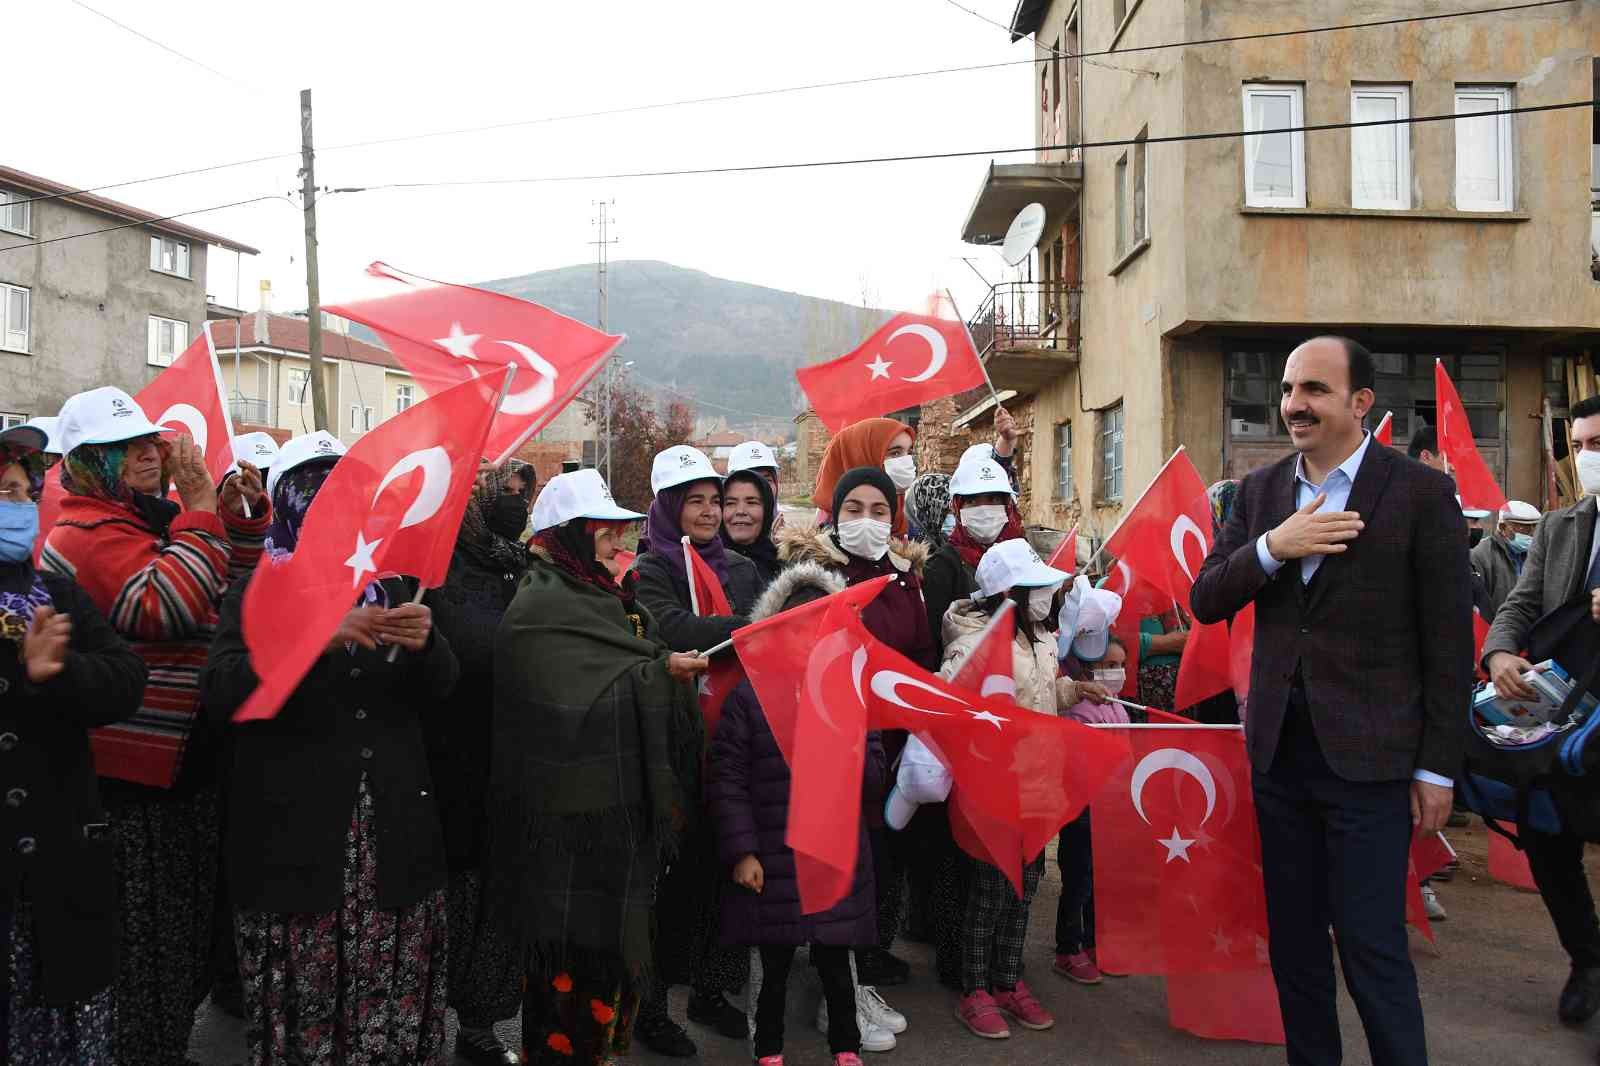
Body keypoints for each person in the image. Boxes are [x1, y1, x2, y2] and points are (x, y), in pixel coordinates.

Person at [1191, 335, 1472, 1066]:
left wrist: (1438, 767)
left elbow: (1447, 644)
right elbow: (1206, 597)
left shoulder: (1418, 493)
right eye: (1288, 390)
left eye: (1313, 390)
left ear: (1360, 403)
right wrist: (1271, 548)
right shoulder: (1259, 493)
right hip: (1280, 758)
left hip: (1373, 766)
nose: (1294, 405)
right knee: (1296, 948)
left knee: (1374, 948)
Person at [201, 438, 460, 1066]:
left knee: (388, 1008)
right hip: (296, 849)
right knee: (309, 1015)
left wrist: (427, 645)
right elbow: (224, 695)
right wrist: (313, 640)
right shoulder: (257, 591)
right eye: (316, 494)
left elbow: (443, 691)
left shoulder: (391, 583)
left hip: (392, 843)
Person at [40, 386, 272, 1066]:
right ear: (85, 462)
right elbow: (164, 605)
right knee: (143, 955)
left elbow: (233, 592)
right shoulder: (82, 531)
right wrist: (201, 513)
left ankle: (161, 1045)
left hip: (184, 775)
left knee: (180, 950)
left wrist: (240, 520)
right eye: (124, 447)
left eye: (149, 441)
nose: (148, 453)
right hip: (129, 790)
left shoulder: (151, 523)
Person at [485, 469, 708, 1066]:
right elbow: (562, 704)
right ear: (566, 538)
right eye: (603, 532)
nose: (618, 544)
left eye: (621, 531)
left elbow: (637, 664)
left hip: (622, 825)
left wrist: (663, 669)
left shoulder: (613, 599)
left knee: (613, 965)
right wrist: (660, 676)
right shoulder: (539, 605)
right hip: (566, 832)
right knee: (569, 970)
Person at [0, 424, 147, 1066]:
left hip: (59, 866)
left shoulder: (54, 592)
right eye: (1, 491)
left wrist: (59, 673)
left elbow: (125, 678)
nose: (18, 504)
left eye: (23, 491)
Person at [776, 465, 934, 1039]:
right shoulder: (814, 576)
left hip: (892, 750)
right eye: (853, 510)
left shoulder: (905, 577)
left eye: (878, 511)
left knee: (881, 871)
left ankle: (860, 979)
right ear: (834, 515)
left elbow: (917, 654)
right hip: (834, 744)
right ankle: (835, 996)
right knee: (842, 873)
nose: (866, 522)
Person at [709, 565, 887, 1065]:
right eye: (797, 629)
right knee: (774, 965)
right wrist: (742, 851)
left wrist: (843, 743)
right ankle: (768, 1050)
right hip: (771, 857)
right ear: (776, 631)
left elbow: (875, 777)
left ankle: (845, 1048)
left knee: (836, 959)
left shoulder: (851, 693)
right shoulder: (748, 698)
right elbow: (728, 780)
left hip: (833, 856)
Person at [631, 446, 758, 1054]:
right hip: (674, 742)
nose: (709, 512)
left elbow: (766, 626)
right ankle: (651, 1010)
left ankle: (713, 991)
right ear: (668, 506)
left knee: (726, 868)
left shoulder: (739, 566)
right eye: (696, 501)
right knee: (668, 887)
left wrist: (750, 629)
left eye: (715, 499)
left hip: (733, 739)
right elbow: (670, 629)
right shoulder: (647, 570)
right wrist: (748, 630)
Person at [1481, 394, 1600, 1044]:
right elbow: (1522, 603)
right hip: (1558, 720)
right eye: (1579, 445)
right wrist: (1499, 650)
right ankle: (1587, 960)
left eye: (1599, 444)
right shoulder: (1560, 528)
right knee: (1552, 844)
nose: (1587, 458)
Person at [938, 539, 1082, 1040]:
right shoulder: (973, 643)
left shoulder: (1040, 635)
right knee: (989, 892)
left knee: (1026, 888)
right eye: (1035, 588)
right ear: (1007, 593)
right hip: (993, 788)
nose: (1046, 596)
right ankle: (974, 989)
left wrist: (1073, 691)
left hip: (1038, 783)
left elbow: (1041, 692)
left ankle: (1008, 980)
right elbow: (957, 707)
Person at [422, 459, 534, 1065]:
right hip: (451, 761)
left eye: (523, 491)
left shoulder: (521, 565)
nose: (515, 500)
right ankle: (427, 1013)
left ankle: (479, 1021)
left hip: (511, 760)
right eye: (505, 491)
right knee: (455, 897)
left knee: (499, 898)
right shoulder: (439, 569)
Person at [1054, 586, 1129, 985]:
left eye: (1121, 664)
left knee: (1102, 881)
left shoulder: (1120, 706)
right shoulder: (1079, 711)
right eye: (1107, 665)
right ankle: (1068, 948)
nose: (1116, 672)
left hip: (1110, 811)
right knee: (1078, 881)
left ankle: (1095, 943)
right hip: (1083, 810)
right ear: (1087, 670)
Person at [923, 454, 1026, 658]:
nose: (984, 509)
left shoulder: (1021, 555)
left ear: (1007, 504)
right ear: (957, 507)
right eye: (971, 500)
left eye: (994, 499)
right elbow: (934, 640)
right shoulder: (942, 566)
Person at [810, 419, 917, 538]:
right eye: (895, 453)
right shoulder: (827, 537)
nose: (906, 461)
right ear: (860, 456)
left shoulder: (903, 519)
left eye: (909, 452)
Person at [1472, 499, 1541, 618]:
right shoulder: (1481, 555)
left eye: (1534, 527)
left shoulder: (1535, 555)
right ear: (1503, 528)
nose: (1531, 534)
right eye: (1524, 528)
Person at [720, 466, 782, 591]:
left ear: (767, 510)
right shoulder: (705, 565)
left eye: (752, 502)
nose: (741, 512)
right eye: (730, 503)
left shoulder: (783, 566)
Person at [904, 472, 952, 549]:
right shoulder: (906, 548)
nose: (953, 520)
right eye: (947, 512)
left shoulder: (953, 545)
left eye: (954, 511)